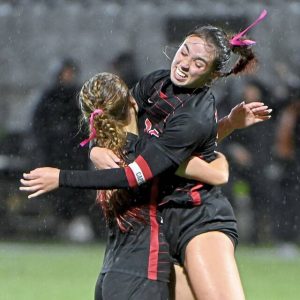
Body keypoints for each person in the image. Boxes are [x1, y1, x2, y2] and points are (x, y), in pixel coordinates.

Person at [20, 11, 271, 300]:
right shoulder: (156, 83)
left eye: (198, 63)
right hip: (157, 219)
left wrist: (62, 177)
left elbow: (136, 170)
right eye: (184, 52)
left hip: (197, 217)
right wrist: (96, 148)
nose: (185, 64)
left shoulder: (195, 115)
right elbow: (114, 119)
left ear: (212, 74)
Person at [31, 57, 94, 240]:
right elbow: (39, 125)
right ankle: (59, 224)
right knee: (57, 193)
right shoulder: (49, 97)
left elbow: (87, 124)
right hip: (55, 155)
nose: (68, 76)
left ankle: (76, 224)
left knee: (75, 190)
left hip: (75, 156)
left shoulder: (78, 97)